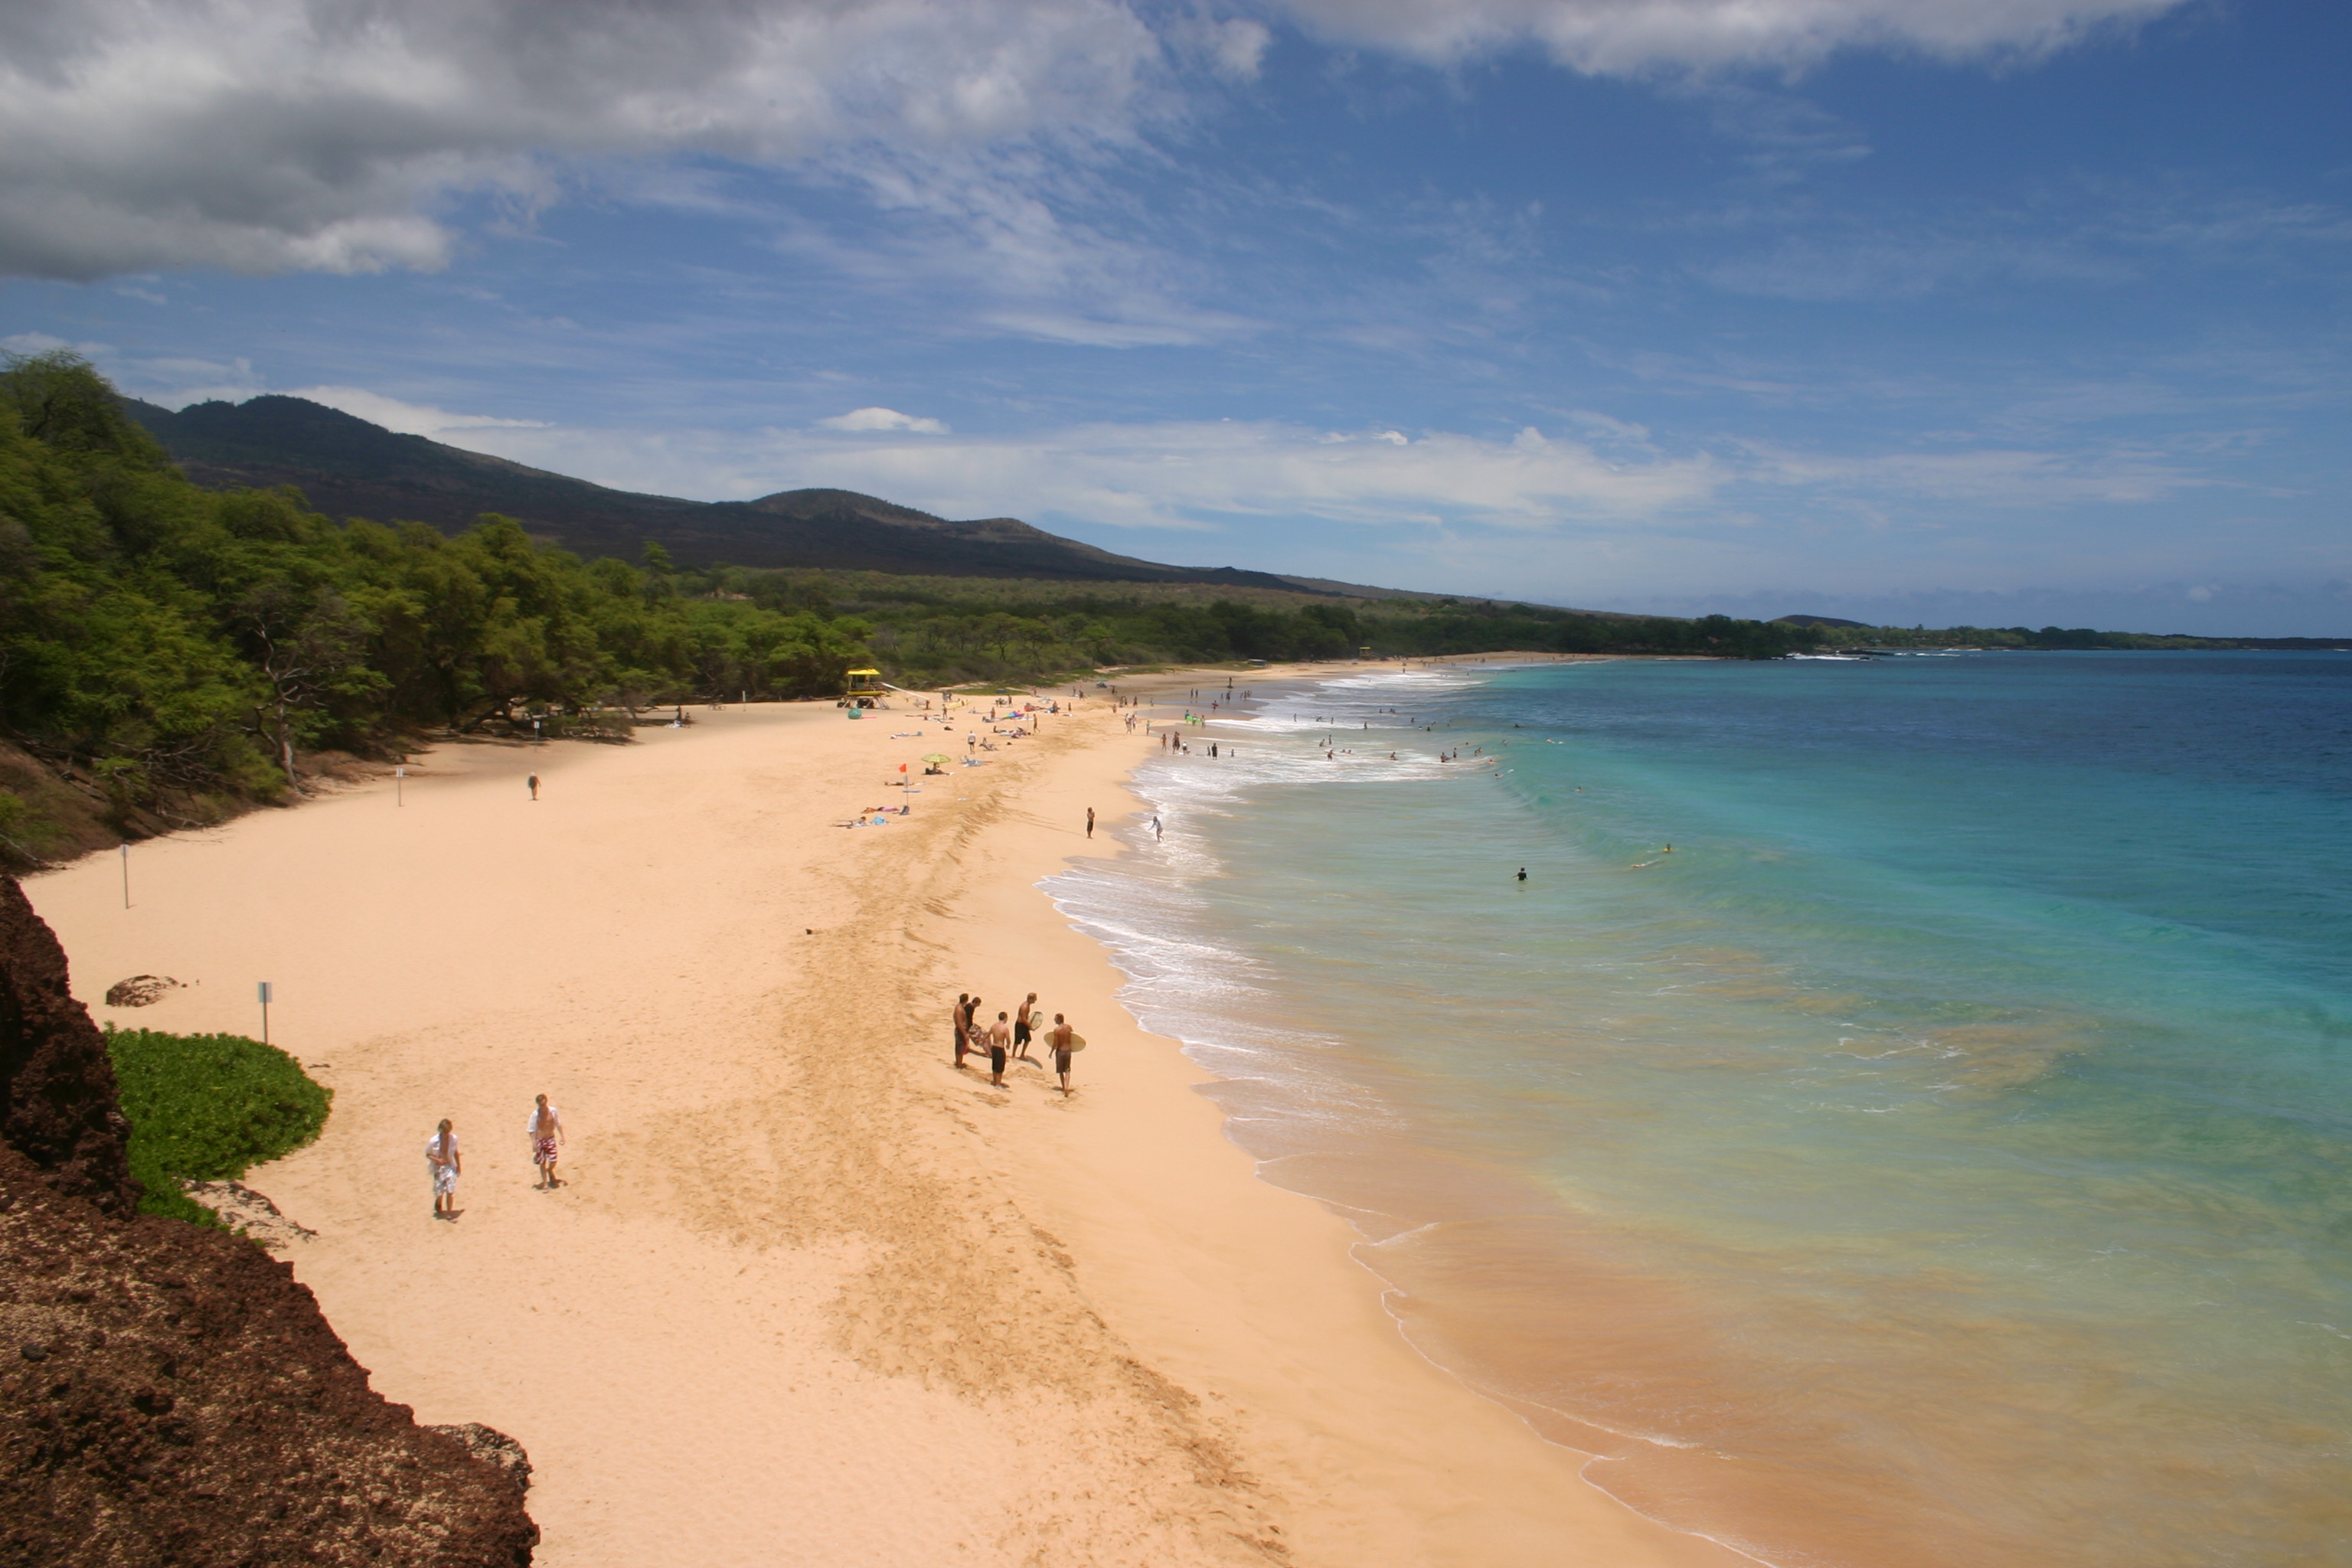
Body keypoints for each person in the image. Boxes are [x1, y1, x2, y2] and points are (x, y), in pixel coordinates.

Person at [528, 1094, 564, 1189]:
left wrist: (562, 1136)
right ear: (538, 1104)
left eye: (544, 1104)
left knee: (553, 1160)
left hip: (550, 1138)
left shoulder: (553, 1111)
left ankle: (550, 1170)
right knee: (542, 1162)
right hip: (540, 1140)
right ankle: (544, 1183)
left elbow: (558, 1123)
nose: (543, 1107)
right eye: (541, 1105)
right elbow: (531, 1130)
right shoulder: (535, 1115)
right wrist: (534, 1143)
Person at [427, 1119, 461, 1219]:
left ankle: (449, 1213)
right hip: (439, 1169)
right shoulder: (434, 1141)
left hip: (450, 1167)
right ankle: (438, 1202)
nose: (446, 1134)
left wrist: (459, 1166)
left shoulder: (453, 1139)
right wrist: (437, 1161)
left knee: (450, 1191)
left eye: (447, 1132)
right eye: (444, 1132)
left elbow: (455, 1152)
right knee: (439, 1191)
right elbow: (428, 1154)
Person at [1047, 1013, 1076, 1096]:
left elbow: (1056, 1043)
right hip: (1068, 1051)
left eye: (1055, 1019)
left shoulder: (1057, 1030)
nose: (1054, 1020)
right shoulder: (1069, 1027)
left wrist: (1051, 1052)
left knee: (1060, 1071)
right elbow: (1074, 1038)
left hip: (1060, 1052)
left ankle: (1063, 1087)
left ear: (1059, 1019)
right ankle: (1067, 1086)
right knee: (1067, 1070)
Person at [987, 1011, 1012, 1086]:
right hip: (1000, 1048)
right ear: (1005, 1018)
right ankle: (998, 1084)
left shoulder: (994, 1026)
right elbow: (1008, 1039)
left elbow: (987, 1035)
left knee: (995, 1065)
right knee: (1000, 1067)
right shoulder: (1005, 1029)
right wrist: (1008, 1045)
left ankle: (995, 1082)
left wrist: (983, 1041)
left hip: (994, 1047)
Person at [953, 992, 973, 1069]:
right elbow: (959, 1023)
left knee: (960, 1046)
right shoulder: (959, 1009)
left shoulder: (960, 1007)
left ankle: (959, 1063)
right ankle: (959, 1064)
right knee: (960, 1047)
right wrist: (965, 1034)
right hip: (960, 1030)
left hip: (961, 1030)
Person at [1014, 993, 1037, 1060]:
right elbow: (1023, 1019)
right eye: (1035, 999)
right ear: (1031, 999)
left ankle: (1022, 1055)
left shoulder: (1028, 1005)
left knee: (1027, 1040)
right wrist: (1030, 1027)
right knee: (1017, 1041)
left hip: (1024, 1025)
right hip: (1020, 1025)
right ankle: (1013, 1055)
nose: (1035, 1000)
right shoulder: (1025, 1007)